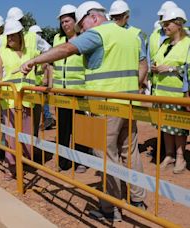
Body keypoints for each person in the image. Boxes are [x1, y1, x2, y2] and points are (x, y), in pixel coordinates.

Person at [19, 1, 146, 221]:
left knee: (105, 156)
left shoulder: (99, 34)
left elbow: (67, 48)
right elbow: (142, 65)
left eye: (82, 25)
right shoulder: (130, 35)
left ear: (93, 17)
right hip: (129, 104)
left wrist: (34, 60)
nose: (82, 31)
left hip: (105, 105)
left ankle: (111, 209)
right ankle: (138, 200)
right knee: (130, 152)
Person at [0, 20, 41, 181]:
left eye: (14, 35)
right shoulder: (1, 52)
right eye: (9, 35)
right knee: (11, 136)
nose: (11, 38)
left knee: (27, 134)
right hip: (11, 101)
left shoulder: (31, 52)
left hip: (27, 99)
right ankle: (11, 166)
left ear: (21, 35)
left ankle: (25, 162)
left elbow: (45, 62)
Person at [151, 7, 189, 174]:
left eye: (167, 24)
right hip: (161, 94)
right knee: (165, 126)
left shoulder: (188, 44)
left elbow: (187, 69)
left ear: (178, 24)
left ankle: (180, 157)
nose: (164, 27)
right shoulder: (165, 44)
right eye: (163, 24)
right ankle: (169, 154)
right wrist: (155, 68)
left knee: (179, 127)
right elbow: (159, 62)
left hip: (177, 94)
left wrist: (171, 69)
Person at [52, 4, 90, 173]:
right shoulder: (57, 39)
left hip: (79, 92)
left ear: (76, 21)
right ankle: (63, 161)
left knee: (80, 128)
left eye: (67, 21)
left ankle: (81, 160)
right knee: (63, 128)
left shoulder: (84, 39)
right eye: (62, 22)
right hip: (61, 92)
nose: (65, 25)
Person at [108, 0, 148, 95]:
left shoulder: (136, 34)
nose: (115, 20)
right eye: (113, 17)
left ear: (127, 17)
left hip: (129, 88)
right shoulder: (108, 33)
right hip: (110, 86)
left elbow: (143, 65)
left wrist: (136, 86)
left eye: (118, 16)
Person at [29, 24, 56, 130]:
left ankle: (48, 118)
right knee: (40, 102)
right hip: (35, 80)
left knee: (42, 102)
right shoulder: (35, 48)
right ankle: (46, 118)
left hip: (39, 81)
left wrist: (45, 78)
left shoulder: (42, 49)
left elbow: (46, 65)